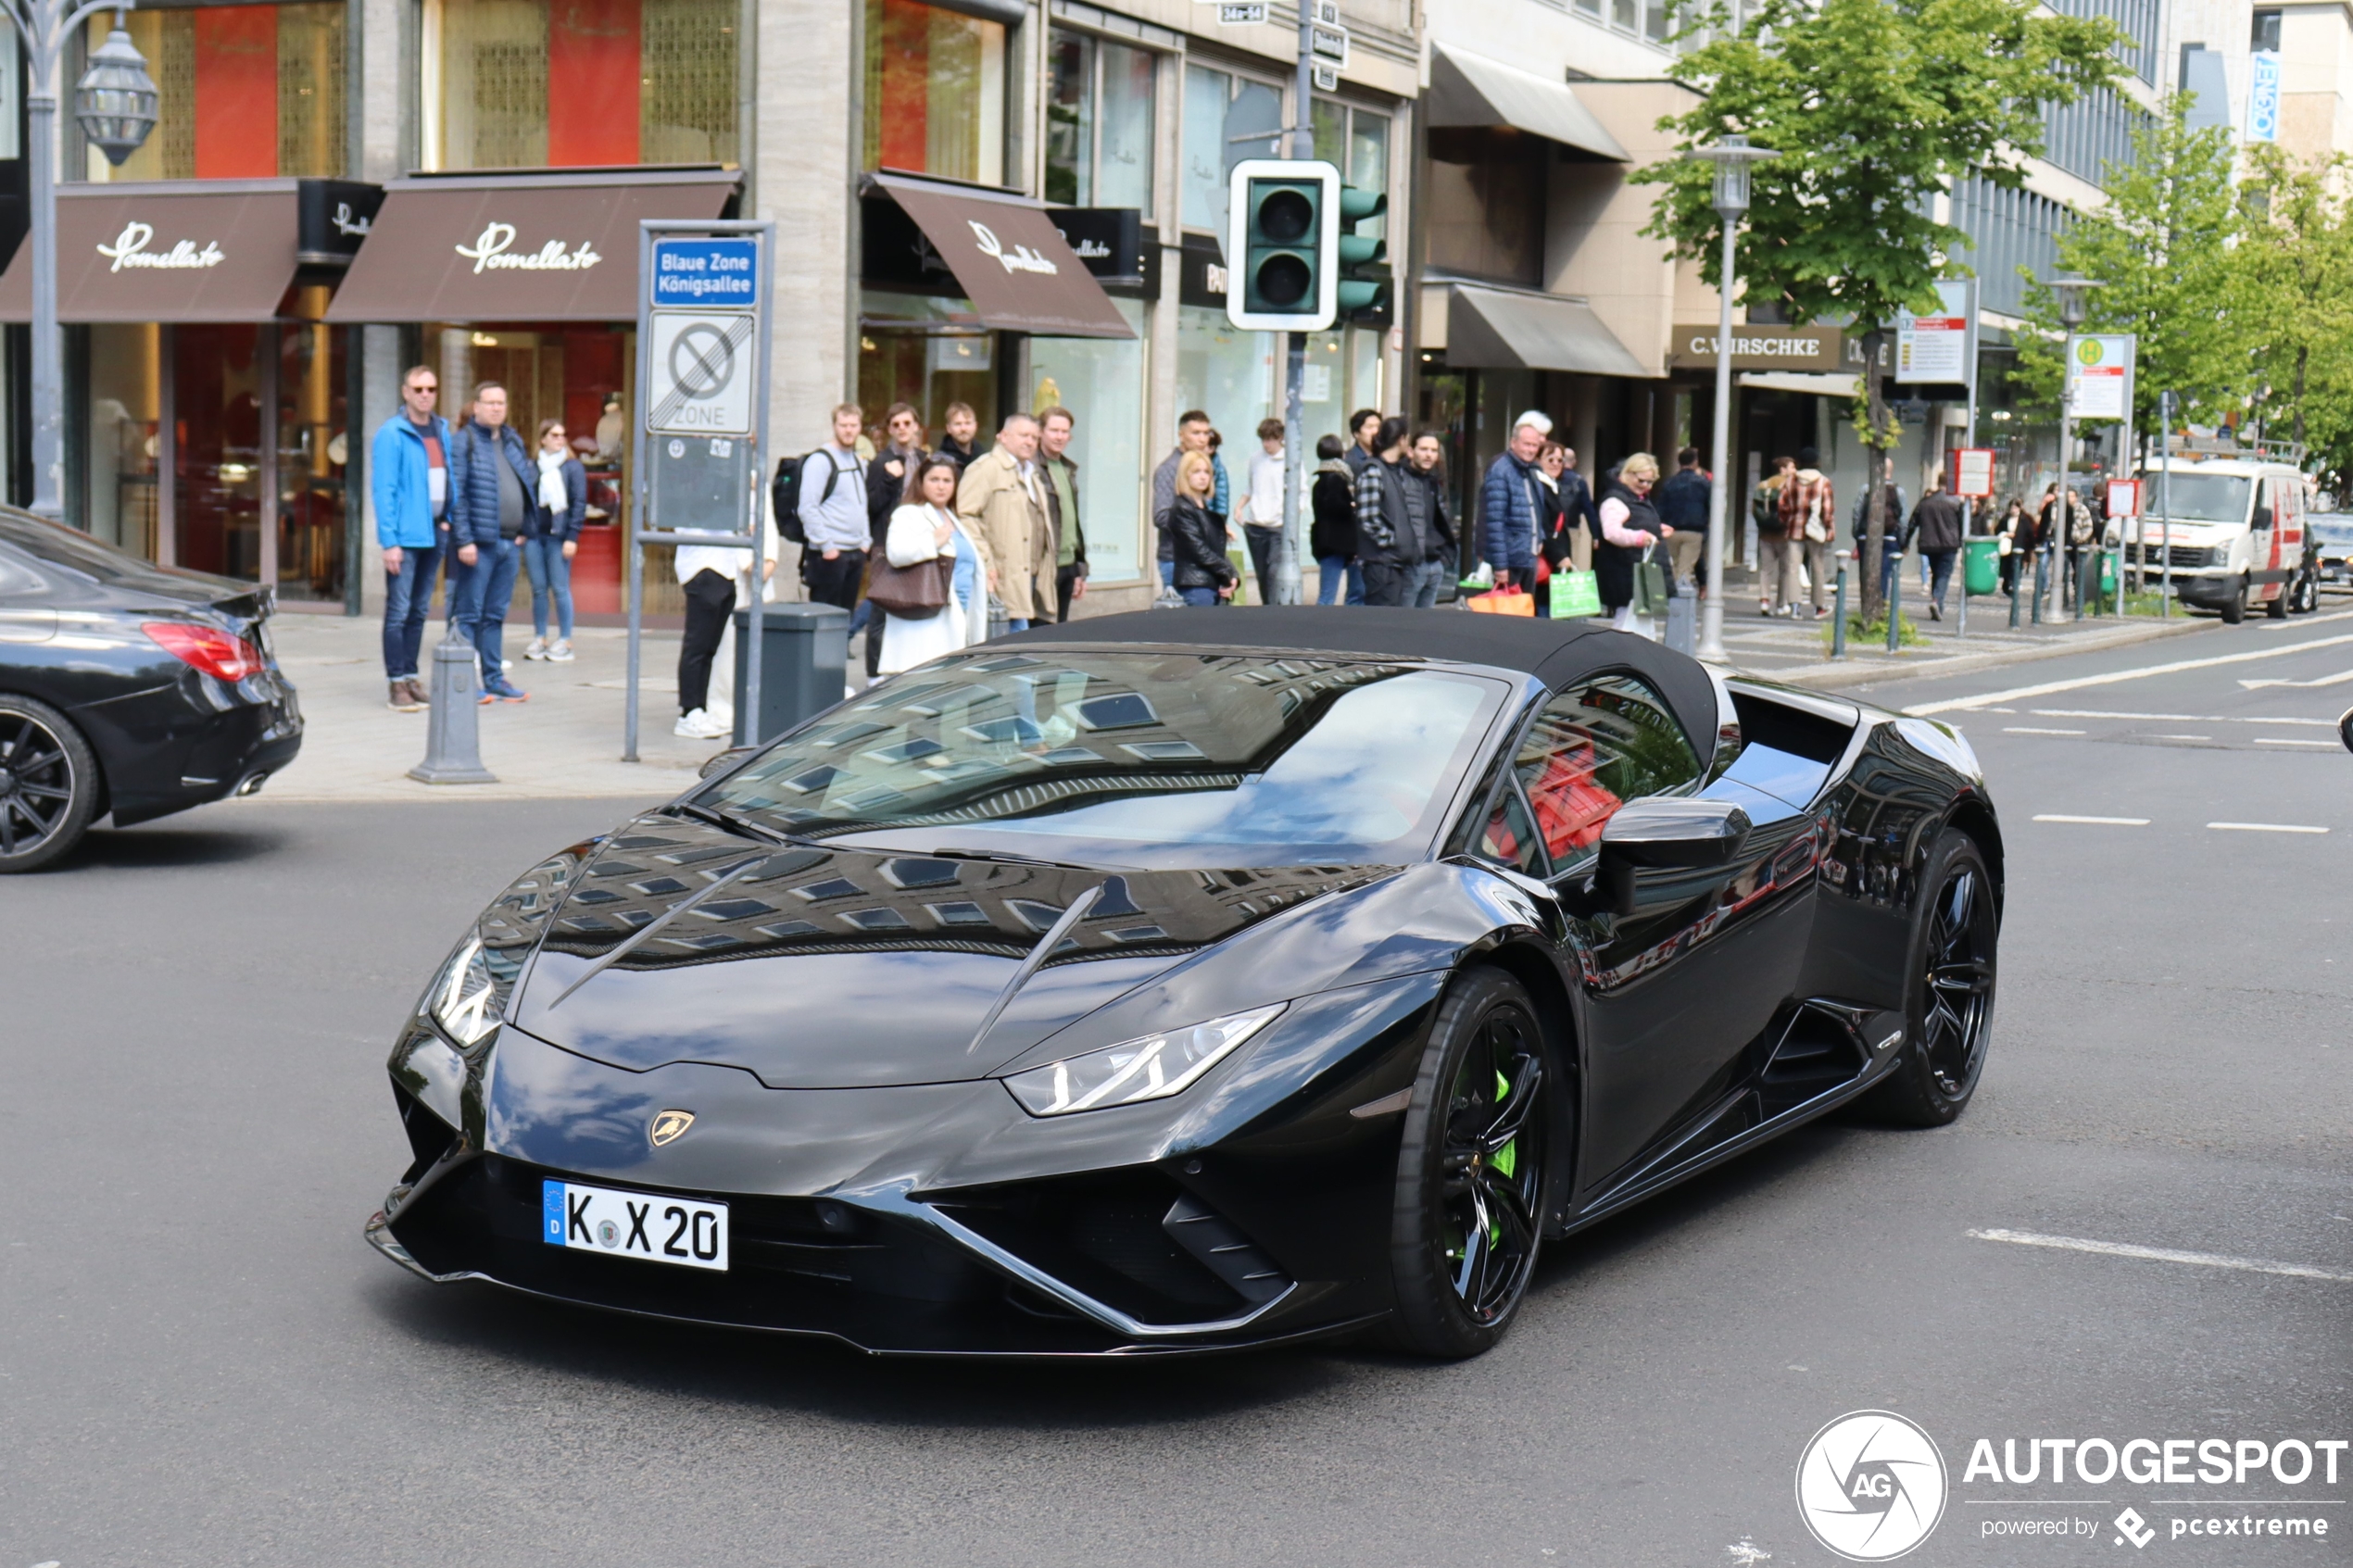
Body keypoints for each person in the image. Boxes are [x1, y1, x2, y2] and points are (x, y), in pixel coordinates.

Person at [446, 381, 535, 703]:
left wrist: (526, 525)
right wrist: (464, 540)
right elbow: (457, 494)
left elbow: (525, 483)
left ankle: (495, 679)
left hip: (509, 543)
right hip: (478, 545)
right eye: (490, 402)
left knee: (495, 616)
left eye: (501, 402)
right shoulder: (463, 442)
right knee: (469, 615)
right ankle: (465, 682)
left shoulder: (512, 441)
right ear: (477, 407)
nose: (496, 408)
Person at [371, 365, 453, 713]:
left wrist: (448, 518)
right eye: (418, 389)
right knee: (399, 611)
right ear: (405, 392)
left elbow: (450, 476)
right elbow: (383, 490)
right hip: (405, 537)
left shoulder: (441, 429)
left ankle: (411, 674)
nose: (425, 395)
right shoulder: (392, 433)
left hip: (435, 531)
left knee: (419, 610)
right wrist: (389, 541)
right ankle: (396, 683)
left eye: (431, 389)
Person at [880, 456, 992, 671]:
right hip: (925, 621)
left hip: (961, 614)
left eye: (947, 480)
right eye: (934, 480)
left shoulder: (953, 517)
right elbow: (895, 553)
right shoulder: (909, 513)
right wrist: (932, 542)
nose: (941, 486)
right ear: (921, 482)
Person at [958, 412, 1057, 631]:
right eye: (1023, 435)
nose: (1029, 442)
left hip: (1030, 577)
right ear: (1003, 436)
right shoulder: (985, 469)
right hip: (1000, 576)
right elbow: (966, 517)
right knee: (1010, 646)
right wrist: (986, 561)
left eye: (1034, 437)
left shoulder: (1032, 473)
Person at [522, 417, 585, 662]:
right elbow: (526, 502)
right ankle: (540, 637)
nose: (560, 439)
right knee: (538, 589)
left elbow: (578, 504)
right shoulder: (532, 466)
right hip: (535, 535)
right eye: (554, 435)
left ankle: (565, 639)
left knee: (560, 588)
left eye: (562, 435)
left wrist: (573, 536)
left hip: (559, 537)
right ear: (543, 439)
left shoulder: (572, 467)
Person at [798, 402, 870, 614]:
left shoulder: (858, 461)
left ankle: (841, 649)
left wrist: (865, 542)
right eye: (843, 425)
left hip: (855, 551)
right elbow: (807, 508)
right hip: (829, 556)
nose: (849, 430)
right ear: (834, 426)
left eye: (853, 425)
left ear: (860, 427)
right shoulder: (820, 461)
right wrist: (827, 547)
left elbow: (861, 504)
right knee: (824, 618)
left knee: (845, 617)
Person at [1354, 417, 1428, 608]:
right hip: (1381, 565)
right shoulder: (1374, 471)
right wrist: (1392, 540)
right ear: (1401, 439)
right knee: (1380, 624)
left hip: (1394, 562)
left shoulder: (1396, 471)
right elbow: (1367, 517)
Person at [1479, 411, 1551, 605]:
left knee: (1525, 614)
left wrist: (1539, 537)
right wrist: (1501, 566)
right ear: (1513, 443)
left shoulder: (1532, 471)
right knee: (1507, 618)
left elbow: (1536, 511)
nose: (1530, 450)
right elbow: (1495, 522)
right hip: (1511, 559)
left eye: (1535, 445)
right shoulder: (1500, 470)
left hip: (1528, 556)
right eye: (1526, 444)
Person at [1596, 453, 1668, 633]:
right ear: (1628, 473)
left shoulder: (1634, 498)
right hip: (1626, 572)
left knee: (1634, 624)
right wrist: (1639, 537)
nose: (1645, 486)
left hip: (1632, 571)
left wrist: (1656, 529)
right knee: (1626, 624)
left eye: (1650, 482)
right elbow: (1611, 532)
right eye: (1642, 480)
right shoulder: (1615, 499)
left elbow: (1635, 522)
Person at [1150, 409, 1214, 591]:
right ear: (1181, 435)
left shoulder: (1200, 465)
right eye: (1196, 433)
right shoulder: (1169, 469)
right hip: (1175, 558)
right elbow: (1161, 516)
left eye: (1205, 433)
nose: (1202, 439)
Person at [1166, 450, 1239, 606]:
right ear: (1186, 475)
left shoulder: (1202, 508)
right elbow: (1200, 551)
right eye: (1196, 471)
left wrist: (1233, 576)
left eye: (1207, 472)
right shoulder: (1182, 509)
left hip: (1212, 584)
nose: (1203, 476)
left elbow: (1216, 551)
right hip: (1196, 586)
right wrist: (1227, 574)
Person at [1038, 406, 1088, 622]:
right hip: (1045, 565)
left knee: (1060, 631)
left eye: (1065, 432)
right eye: (1054, 430)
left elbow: (1072, 521)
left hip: (1068, 564)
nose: (1060, 437)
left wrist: (1080, 569)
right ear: (1041, 431)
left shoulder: (1067, 468)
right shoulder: (1033, 468)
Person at [1776, 447, 1837, 620]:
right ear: (1817, 462)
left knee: (1793, 569)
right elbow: (1828, 510)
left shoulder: (1791, 481)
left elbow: (1782, 505)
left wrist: (1787, 521)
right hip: (1815, 531)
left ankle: (1795, 607)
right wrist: (1829, 530)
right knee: (1817, 568)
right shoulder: (1823, 482)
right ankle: (1818, 607)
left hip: (1794, 529)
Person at [1309, 434, 1362, 606]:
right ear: (1341, 454)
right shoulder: (1337, 479)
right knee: (1334, 595)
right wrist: (1352, 506)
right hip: (1339, 543)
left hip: (1326, 543)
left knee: (1328, 593)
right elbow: (1336, 506)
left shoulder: (1321, 479)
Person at [1407, 432, 1458, 608]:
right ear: (1410, 451)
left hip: (1435, 561)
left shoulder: (1434, 481)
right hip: (1412, 563)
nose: (1429, 454)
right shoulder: (1401, 479)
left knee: (1426, 625)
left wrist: (1444, 554)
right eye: (1423, 449)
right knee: (1402, 623)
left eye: (1433, 450)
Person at [1241, 416, 1287, 606]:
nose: (1267, 444)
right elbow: (1251, 488)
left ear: (1280, 438)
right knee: (1261, 572)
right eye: (1264, 439)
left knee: (1273, 572)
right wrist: (1239, 508)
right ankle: (1267, 607)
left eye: (1271, 439)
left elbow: (1301, 491)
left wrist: (1292, 515)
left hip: (1277, 525)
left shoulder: (1289, 460)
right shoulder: (1256, 459)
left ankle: (1274, 608)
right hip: (1256, 524)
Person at [1906, 477, 1967, 620]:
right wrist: (1963, 542)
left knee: (1936, 573)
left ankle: (1938, 607)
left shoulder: (1925, 502)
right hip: (1949, 544)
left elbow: (1912, 523)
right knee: (1944, 574)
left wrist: (1905, 543)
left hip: (1929, 544)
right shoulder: (1956, 503)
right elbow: (1963, 525)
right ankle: (1937, 600)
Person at [1654, 446, 1711, 585]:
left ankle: (1672, 594)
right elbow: (1710, 506)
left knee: (1674, 565)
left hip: (1671, 531)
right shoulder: (1703, 483)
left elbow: (1660, 508)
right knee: (1685, 569)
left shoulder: (1669, 483)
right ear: (1695, 462)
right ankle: (1679, 600)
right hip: (1694, 530)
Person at [866, 402, 926, 532]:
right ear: (890, 429)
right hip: (889, 533)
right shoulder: (880, 461)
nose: (902, 428)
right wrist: (890, 479)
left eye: (907, 423)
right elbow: (869, 505)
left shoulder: (924, 459)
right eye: (896, 424)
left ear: (916, 426)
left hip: (919, 529)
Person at [1855, 472, 1911, 607]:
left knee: (1866, 572)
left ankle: (1866, 605)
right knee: (1884, 574)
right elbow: (1903, 520)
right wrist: (1903, 542)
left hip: (1865, 537)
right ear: (1891, 472)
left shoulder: (1866, 489)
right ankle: (1881, 604)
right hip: (1890, 537)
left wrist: (1857, 533)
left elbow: (1857, 512)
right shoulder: (1899, 492)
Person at [1543, 444, 1602, 573]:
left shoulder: (1552, 482)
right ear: (1574, 462)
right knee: (1568, 565)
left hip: (1551, 533)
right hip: (1571, 529)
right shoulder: (1579, 481)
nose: (1556, 464)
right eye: (1551, 460)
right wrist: (1595, 535)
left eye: (1559, 460)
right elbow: (1589, 510)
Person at [1754, 455, 1797, 616]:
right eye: (1792, 467)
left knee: (1766, 570)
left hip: (1765, 534)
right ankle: (1781, 604)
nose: (1795, 471)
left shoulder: (1763, 485)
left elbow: (1755, 509)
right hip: (1784, 534)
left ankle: (1764, 601)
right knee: (1785, 570)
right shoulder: (1790, 486)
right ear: (1783, 469)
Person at [937, 402, 981, 470]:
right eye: (958, 424)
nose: (963, 429)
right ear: (948, 428)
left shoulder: (984, 459)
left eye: (968, 423)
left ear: (975, 426)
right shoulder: (940, 462)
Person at [1344, 408, 1382, 476]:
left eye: (1378, 427)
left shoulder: (1385, 457)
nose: (1375, 431)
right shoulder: (1347, 460)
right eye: (1369, 427)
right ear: (1356, 433)